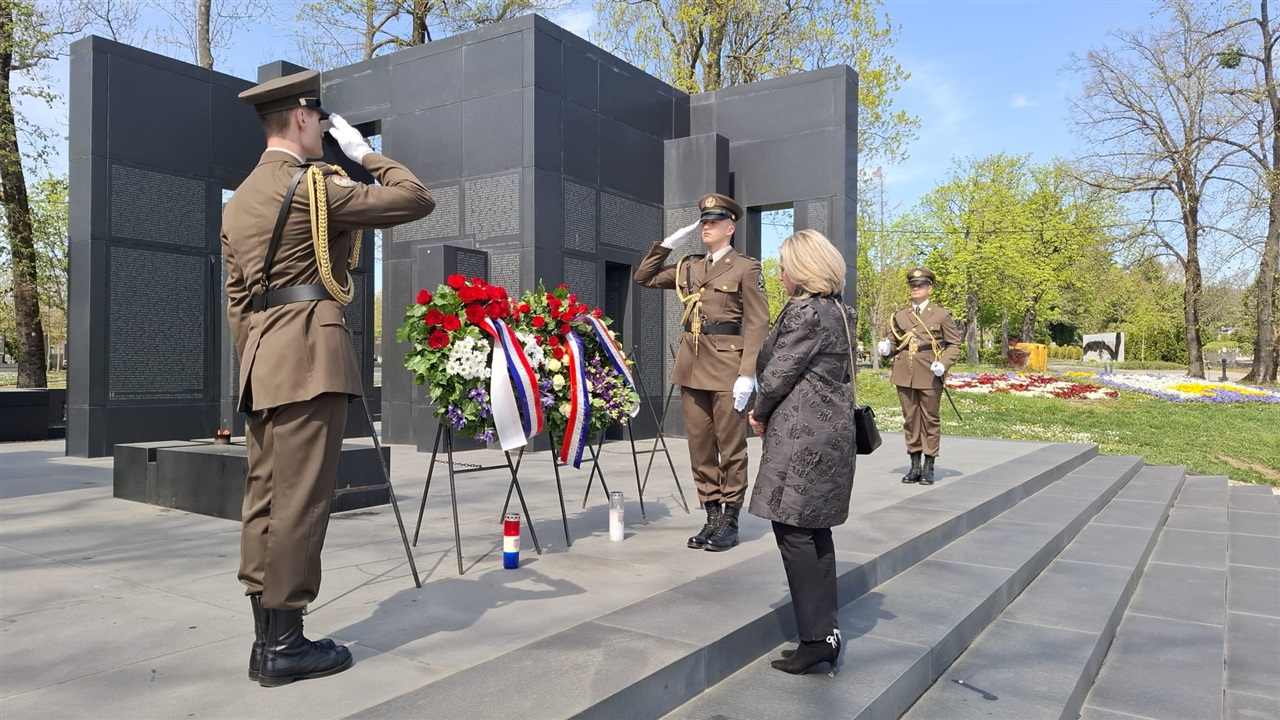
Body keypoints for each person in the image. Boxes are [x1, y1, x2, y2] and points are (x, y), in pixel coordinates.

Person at [223, 70, 435, 687]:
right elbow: (416, 198)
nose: (325, 129)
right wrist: (365, 153)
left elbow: (238, 299)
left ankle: (268, 641)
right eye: (321, 120)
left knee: (264, 498)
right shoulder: (316, 189)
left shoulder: (239, 201)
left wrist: (260, 357)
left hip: (263, 360)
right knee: (301, 501)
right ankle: (286, 648)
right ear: (300, 119)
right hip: (312, 358)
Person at [746, 229, 855, 677]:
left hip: (800, 436)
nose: (781, 271)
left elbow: (776, 375)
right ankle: (825, 633)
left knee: (793, 532)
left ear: (804, 270)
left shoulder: (805, 311)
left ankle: (814, 639)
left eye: (786, 264)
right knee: (816, 532)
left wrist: (758, 412)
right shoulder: (840, 310)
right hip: (831, 432)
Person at [634, 193, 769, 552]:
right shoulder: (690, 266)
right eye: (703, 222)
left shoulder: (745, 268)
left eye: (714, 221)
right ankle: (711, 515)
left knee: (731, 446)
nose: (706, 226)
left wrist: (748, 372)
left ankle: (730, 519)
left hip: (728, 366)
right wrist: (666, 244)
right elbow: (643, 278)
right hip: (692, 364)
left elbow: (757, 322)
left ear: (730, 227)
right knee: (700, 446)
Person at [877, 267, 962, 485]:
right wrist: (887, 349)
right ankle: (914, 466)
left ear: (929, 288)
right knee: (911, 420)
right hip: (904, 373)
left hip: (929, 373)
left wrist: (943, 364)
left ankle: (929, 467)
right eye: (913, 286)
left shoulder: (941, 314)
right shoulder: (899, 316)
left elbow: (954, 344)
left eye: (921, 285)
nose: (916, 288)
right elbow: (895, 343)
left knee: (930, 420)